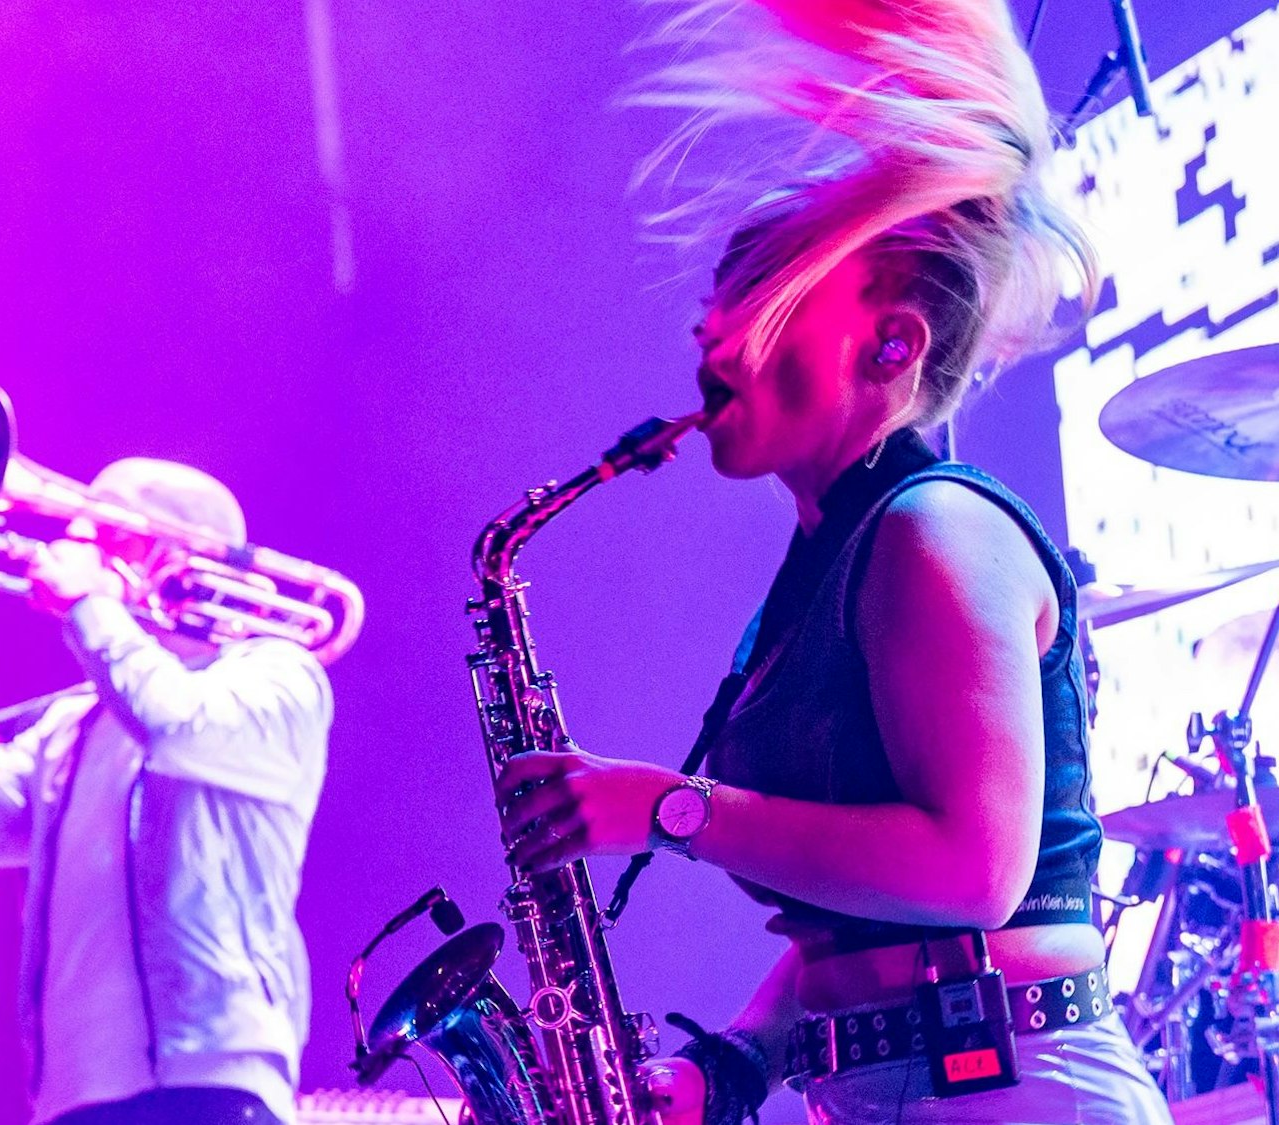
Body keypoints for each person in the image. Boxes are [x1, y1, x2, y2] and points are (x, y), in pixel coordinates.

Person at [493, 2, 1172, 1122]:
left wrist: (666, 808)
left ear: (889, 346)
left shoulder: (932, 529)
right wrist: (732, 1065)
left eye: (754, 298)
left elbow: (970, 874)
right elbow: (861, 933)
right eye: (711, 304)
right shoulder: (831, 558)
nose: (707, 337)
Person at [0, 457, 332, 1125]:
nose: (70, 550)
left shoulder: (278, 674)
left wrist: (91, 605)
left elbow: (174, 726)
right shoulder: (71, 725)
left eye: (112, 536)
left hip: (210, 1077)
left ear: (179, 554)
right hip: (69, 1098)